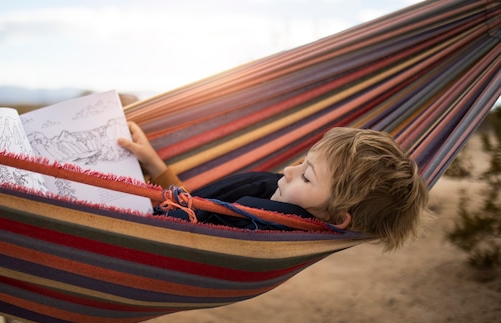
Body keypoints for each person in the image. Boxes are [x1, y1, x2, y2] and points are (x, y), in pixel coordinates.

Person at [118, 122, 429, 250]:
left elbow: (185, 233)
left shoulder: (260, 232)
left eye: (307, 177)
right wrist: (157, 167)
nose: (288, 171)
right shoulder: (274, 213)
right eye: (302, 162)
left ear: (337, 219)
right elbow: (202, 209)